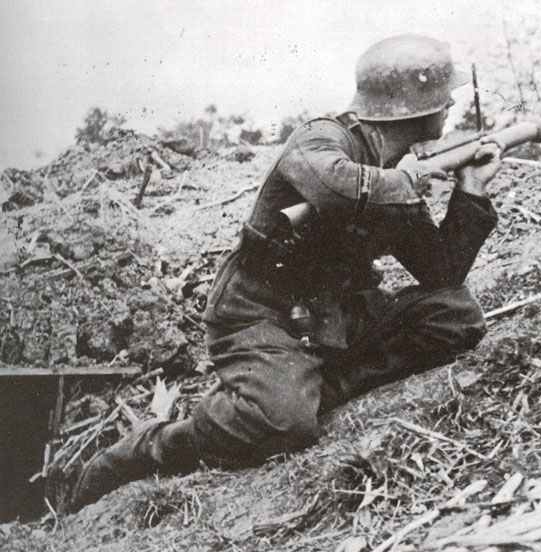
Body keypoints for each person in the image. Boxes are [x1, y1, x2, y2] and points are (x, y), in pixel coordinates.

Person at [70, 33, 502, 510]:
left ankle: (307, 387)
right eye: (443, 95)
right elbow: (334, 187)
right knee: (285, 425)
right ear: (413, 106)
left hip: (332, 315)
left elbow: (441, 272)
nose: (450, 104)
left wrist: (472, 190)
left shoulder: (394, 169)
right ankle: (162, 442)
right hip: (259, 313)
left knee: (453, 314)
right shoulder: (325, 138)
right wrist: (412, 179)